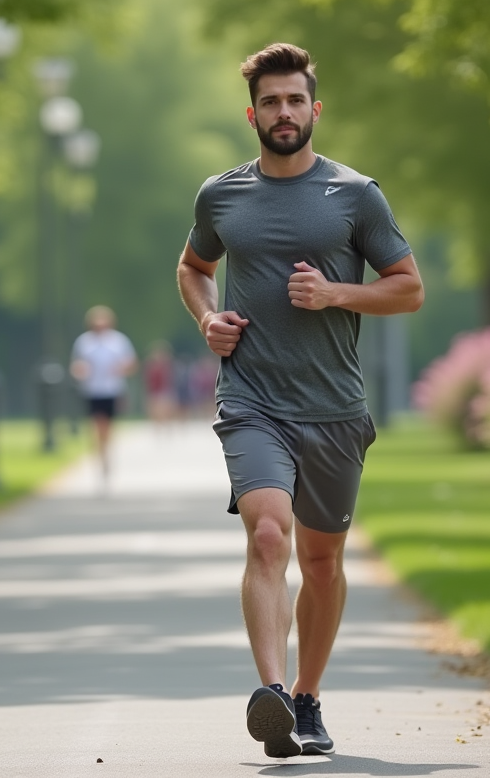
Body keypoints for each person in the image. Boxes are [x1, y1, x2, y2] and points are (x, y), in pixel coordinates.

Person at [175, 43, 424, 759]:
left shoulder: (355, 195)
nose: (283, 113)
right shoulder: (220, 194)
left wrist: (336, 293)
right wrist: (207, 318)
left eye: (295, 101)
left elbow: (409, 288)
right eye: (271, 103)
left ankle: (309, 697)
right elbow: (195, 267)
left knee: (321, 563)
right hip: (252, 398)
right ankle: (273, 694)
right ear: (251, 114)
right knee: (267, 535)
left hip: (335, 407)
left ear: (315, 109)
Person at [70, 305, 137, 483]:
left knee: (107, 427)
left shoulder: (118, 341)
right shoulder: (84, 342)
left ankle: (105, 454)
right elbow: (77, 365)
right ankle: (100, 456)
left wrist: (121, 368)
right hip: (92, 390)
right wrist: (80, 371)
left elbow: (131, 364)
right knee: (96, 426)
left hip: (112, 390)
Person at [143, 340, 179, 429]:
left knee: (165, 410)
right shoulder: (151, 366)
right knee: (155, 410)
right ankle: (157, 426)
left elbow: (171, 378)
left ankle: (166, 425)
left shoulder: (167, 365)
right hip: (155, 391)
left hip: (165, 390)